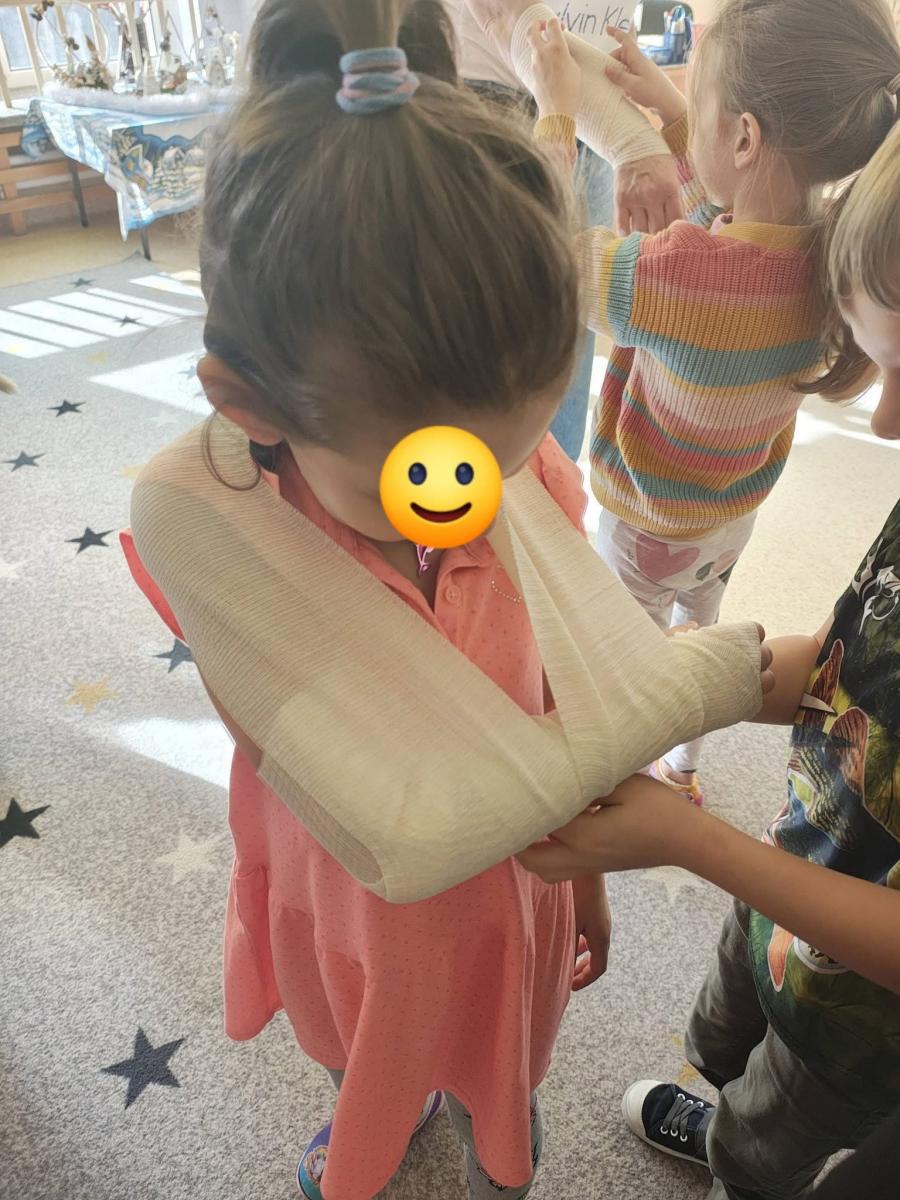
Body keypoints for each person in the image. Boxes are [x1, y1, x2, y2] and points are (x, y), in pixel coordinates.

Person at [120, 2, 771, 1198]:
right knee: (365, 1036)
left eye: (506, 456)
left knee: (499, 1066)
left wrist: (580, 872)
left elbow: (574, 697)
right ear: (249, 404)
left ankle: (492, 1129)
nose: (471, 503)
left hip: (510, 896)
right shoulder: (228, 544)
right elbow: (323, 774)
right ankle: (382, 1099)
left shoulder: (527, 488)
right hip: (353, 896)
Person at [520, 115, 900, 1199]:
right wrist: (693, 680)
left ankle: (740, 1159)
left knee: (773, 1132)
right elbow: (851, 663)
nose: (883, 423)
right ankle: (722, 1104)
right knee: (731, 1028)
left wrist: (692, 840)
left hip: (859, 1018)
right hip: (799, 861)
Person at [472, 0, 899, 804]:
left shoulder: (668, 277)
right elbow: (730, 213)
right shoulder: (832, 256)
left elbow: (542, 255)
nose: (686, 126)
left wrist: (555, 113)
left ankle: (625, 779)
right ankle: (686, 770)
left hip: (645, 521)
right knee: (699, 632)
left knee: (624, 658)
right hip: (730, 515)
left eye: (701, 112)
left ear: (744, 138)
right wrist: (676, 114)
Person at [442, 0, 675, 461]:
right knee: (486, 352)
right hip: (493, 91)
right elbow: (499, 11)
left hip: (596, 95)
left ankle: (555, 488)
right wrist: (632, 140)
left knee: (571, 320)